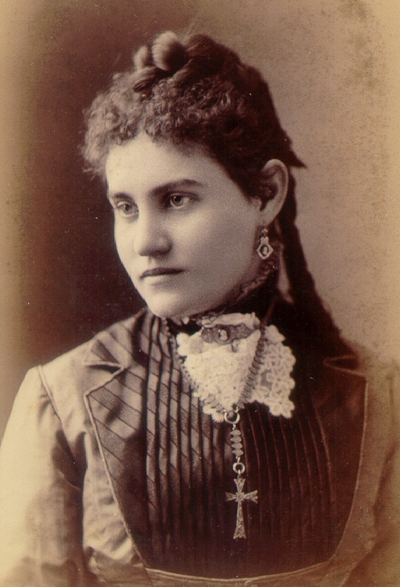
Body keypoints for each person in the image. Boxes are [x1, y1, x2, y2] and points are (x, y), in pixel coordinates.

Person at [0, 31, 399, 587]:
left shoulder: (375, 398)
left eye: (177, 199)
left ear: (265, 194)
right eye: (125, 207)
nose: (146, 243)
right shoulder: (64, 399)